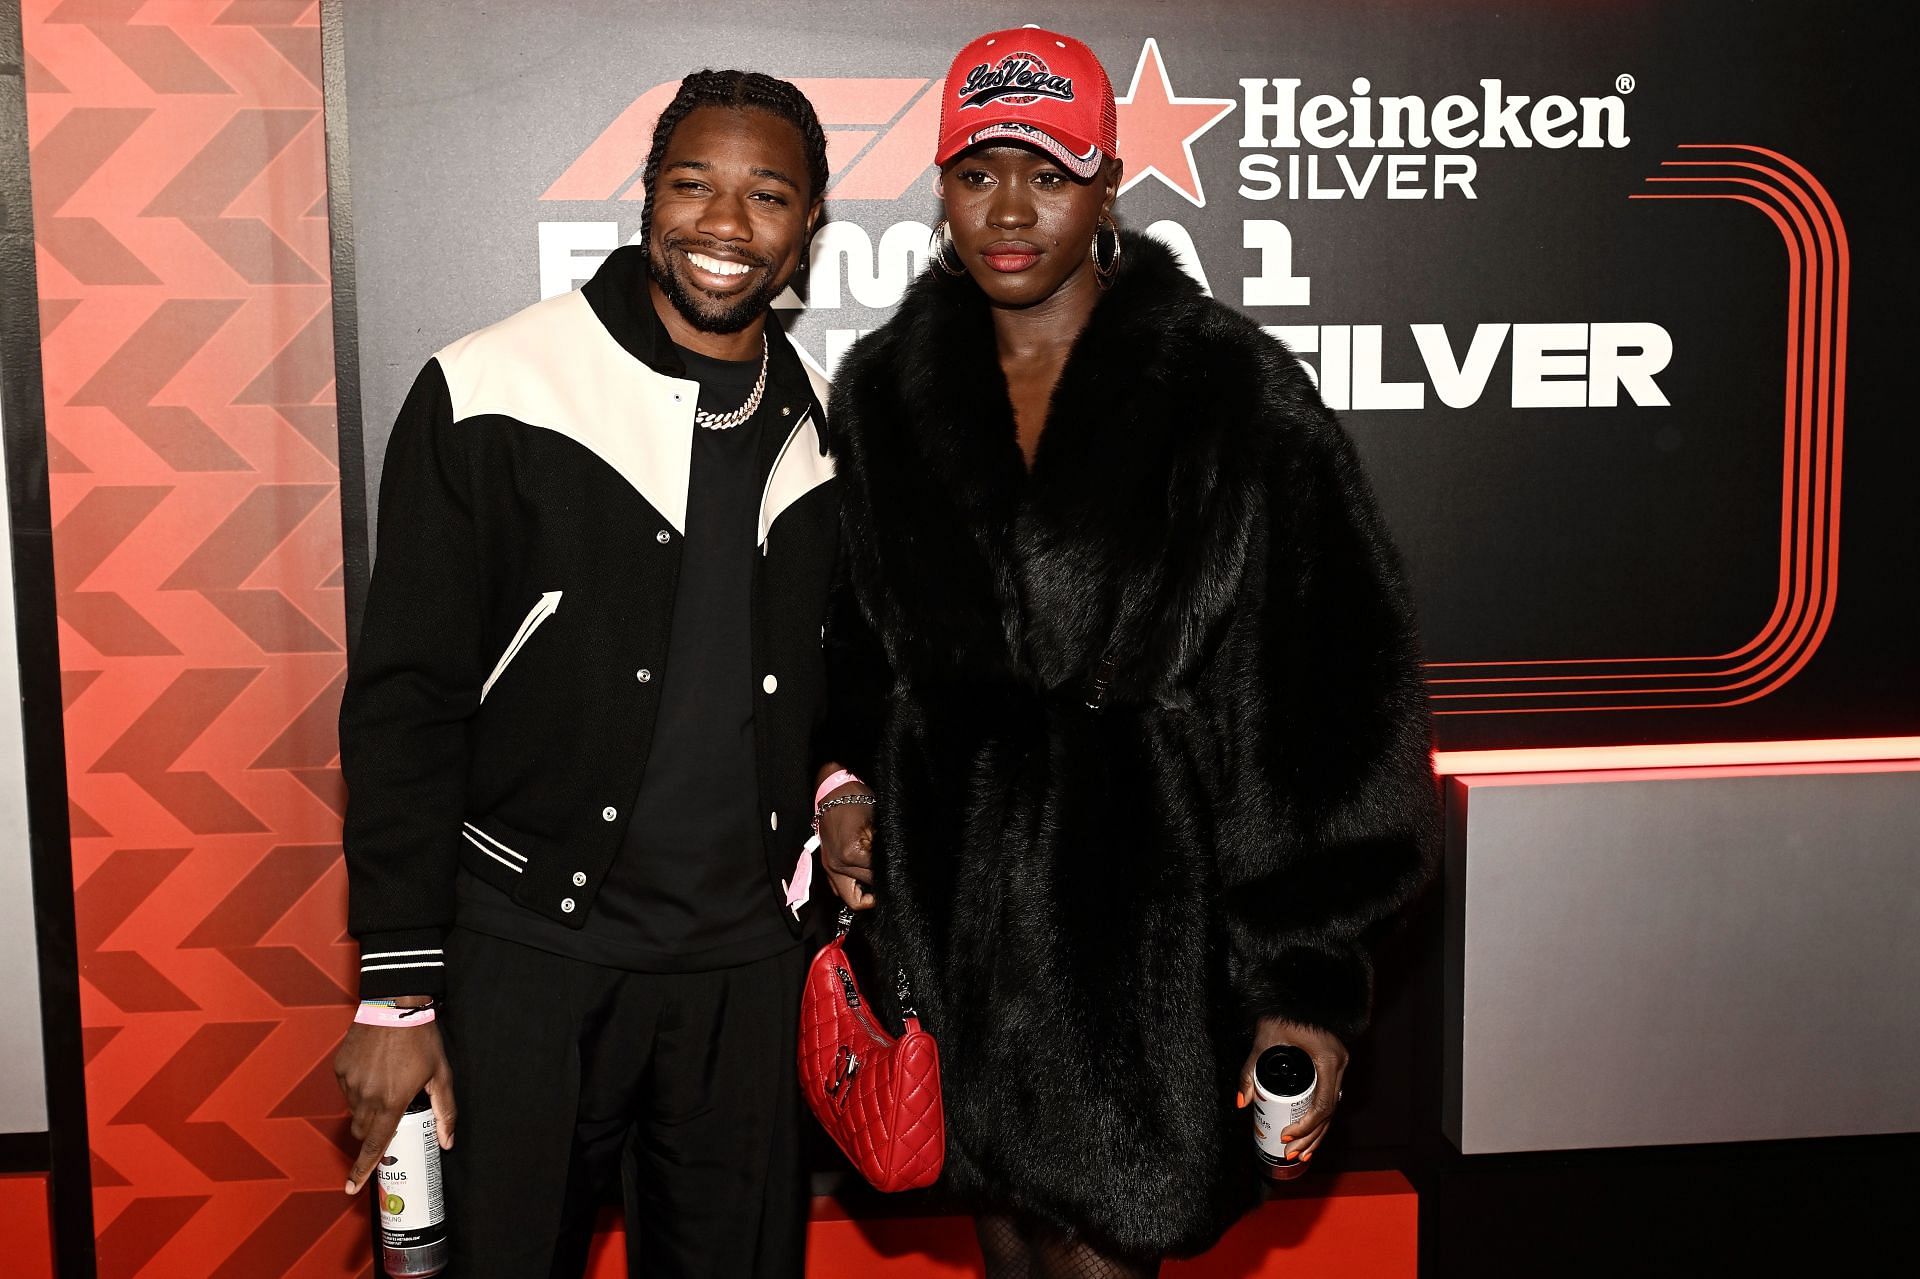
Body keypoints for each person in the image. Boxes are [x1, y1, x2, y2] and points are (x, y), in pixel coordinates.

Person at [815, 28, 1439, 1278]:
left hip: (1149, 929)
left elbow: (1330, 696)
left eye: (1047, 173)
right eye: (976, 170)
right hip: (951, 922)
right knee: (1001, 1242)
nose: (1008, 209)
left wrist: (1306, 981)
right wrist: (843, 786)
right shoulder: (884, 389)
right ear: (937, 187)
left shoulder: (1228, 389)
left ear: (1105, 187)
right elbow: (853, 637)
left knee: (1107, 1255)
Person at [333, 71, 840, 1278]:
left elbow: (837, 681)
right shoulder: (492, 388)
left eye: (767, 195)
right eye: (693, 186)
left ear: (808, 230)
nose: (725, 225)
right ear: (647, 199)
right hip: (530, 955)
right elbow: (406, 700)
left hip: (743, 974)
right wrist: (398, 990)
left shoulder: (822, 422)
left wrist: (835, 791)